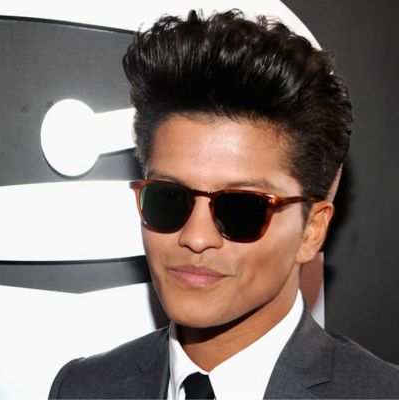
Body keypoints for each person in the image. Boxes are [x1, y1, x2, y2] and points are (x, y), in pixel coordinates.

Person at [49, 9, 399, 399]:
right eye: (169, 198)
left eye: (241, 209)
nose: (196, 237)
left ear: (311, 231)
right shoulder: (82, 388)